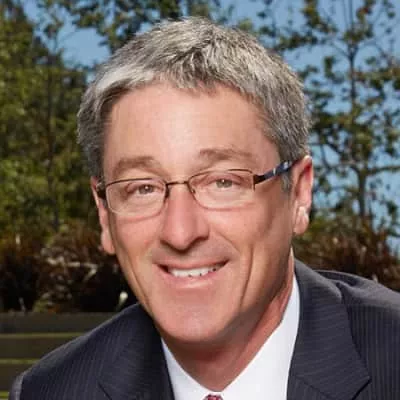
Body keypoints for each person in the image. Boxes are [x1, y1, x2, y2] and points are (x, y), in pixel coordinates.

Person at [10, 17, 400, 400]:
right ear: (104, 214)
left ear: (298, 193)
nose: (180, 233)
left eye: (222, 182)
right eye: (142, 188)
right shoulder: (50, 392)